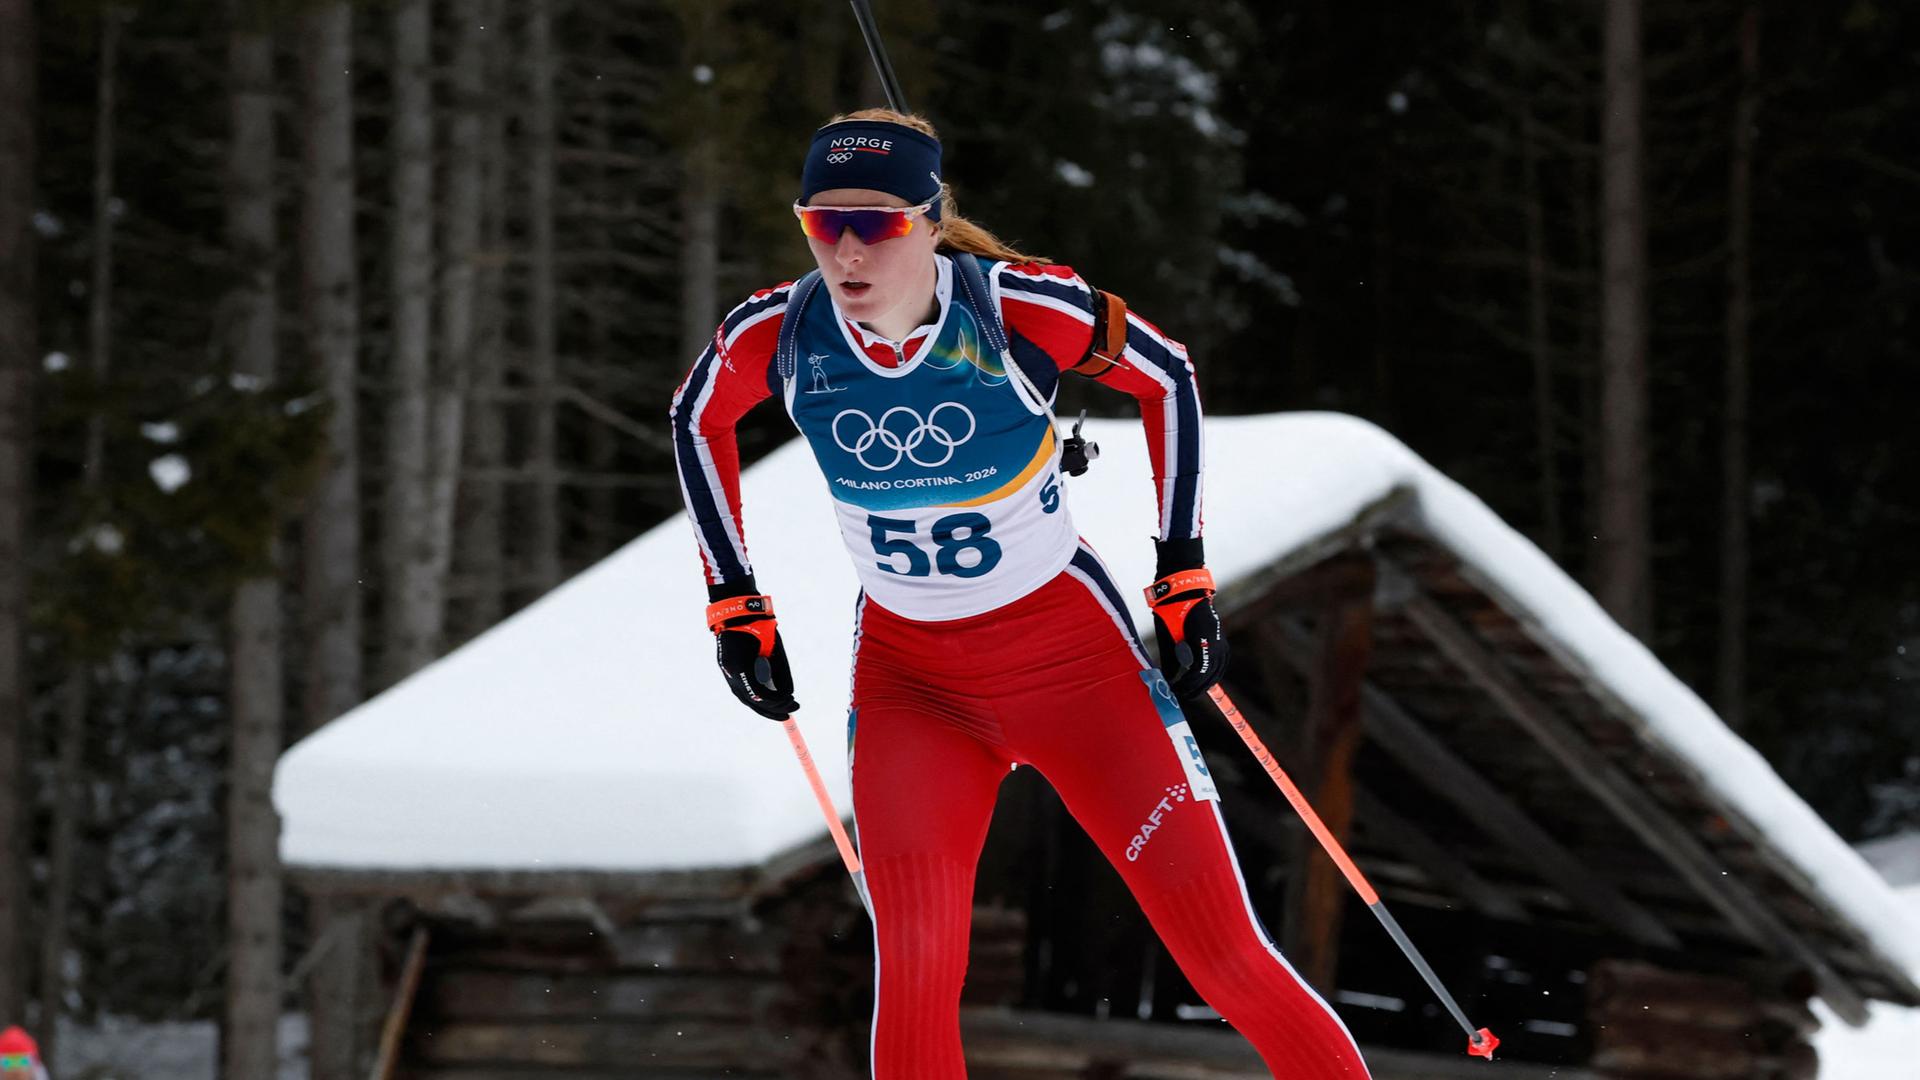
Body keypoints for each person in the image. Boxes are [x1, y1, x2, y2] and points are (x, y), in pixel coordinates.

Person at [671, 108, 1371, 1079]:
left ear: (926, 219)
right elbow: (695, 415)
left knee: (1223, 960)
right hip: (914, 690)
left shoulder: (1014, 309)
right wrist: (735, 601)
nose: (844, 253)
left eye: (871, 225)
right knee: (915, 970)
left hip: (1078, 672)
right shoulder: (783, 332)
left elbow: (1166, 375)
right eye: (819, 224)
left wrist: (1182, 571)